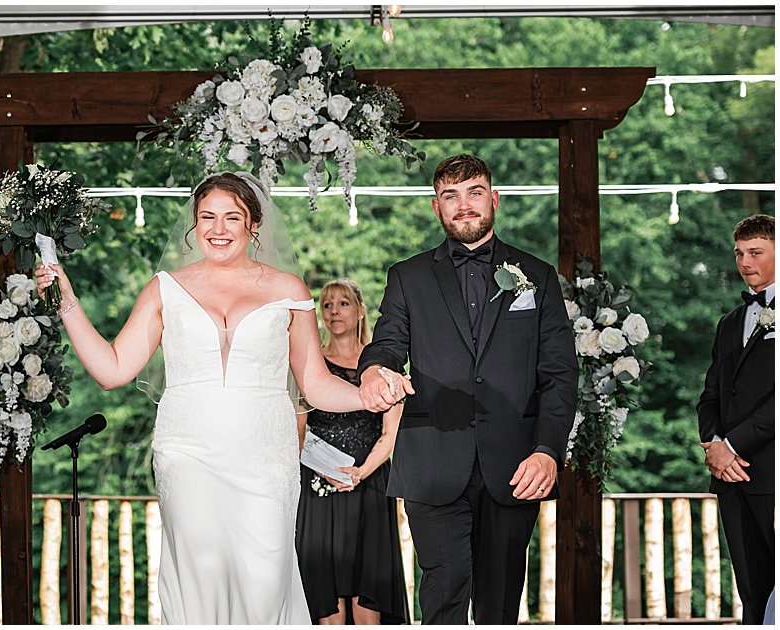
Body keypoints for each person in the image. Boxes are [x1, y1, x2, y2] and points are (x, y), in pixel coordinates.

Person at [36, 172, 402, 623]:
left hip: (266, 459)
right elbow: (113, 370)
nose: (218, 228)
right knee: (199, 580)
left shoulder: (289, 290)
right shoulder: (165, 288)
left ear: (254, 226)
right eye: (207, 216)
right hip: (188, 454)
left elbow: (316, 385)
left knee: (265, 583)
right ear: (194, 224)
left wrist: (370, 397)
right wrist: (66, 302)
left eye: (233, 217)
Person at [356, 154, 576, 625]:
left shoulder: (536, 276)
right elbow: (387, 343)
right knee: (444, 592)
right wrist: (375, 372)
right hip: (432, 461)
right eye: (450, 197)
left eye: (474, 193)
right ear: (437, 208)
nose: (464, 206)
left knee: (499, 604)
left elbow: (559, 373)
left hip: (516, 465)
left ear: (493, 200)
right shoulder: (407, 276)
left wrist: (548, 451)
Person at [297, 279, 407, 625]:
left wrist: (361, 472)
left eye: (343, 303)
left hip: (370, 484)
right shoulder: (307, 364)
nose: (334, 311)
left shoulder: (381, 363)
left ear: (360, 310)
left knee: (368, 585)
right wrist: (324, 469)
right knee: (324, 590)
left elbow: (391, 434)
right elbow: (296, 432)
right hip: (319, 488)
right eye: (327, 305)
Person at [696, 214, 773, 626]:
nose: (745, 262)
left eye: (756, 252)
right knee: (751, 593)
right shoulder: (728, 323)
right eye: (740, 253)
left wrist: (735, 446)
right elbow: (709, 397)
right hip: (730, 479)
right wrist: (715, 447)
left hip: (771, 472)